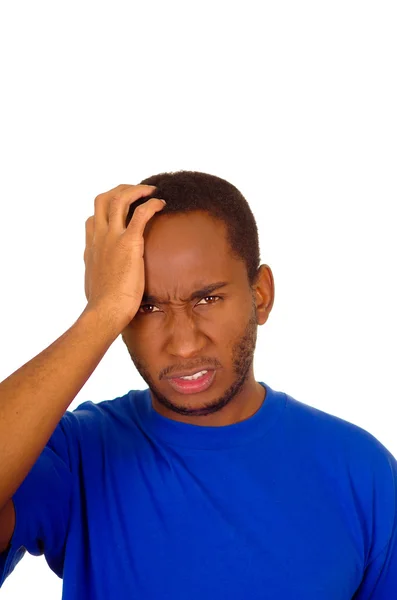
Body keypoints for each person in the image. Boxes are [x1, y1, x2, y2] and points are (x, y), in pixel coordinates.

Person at [0, 171, 396, 599]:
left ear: (260, 295)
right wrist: (101, 313)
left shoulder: (361, 471)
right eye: (145, 306)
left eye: (207, 299)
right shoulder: (75, 455)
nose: (184, 345)